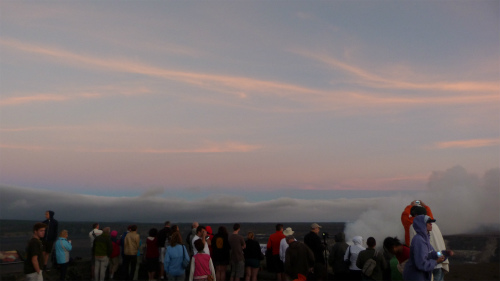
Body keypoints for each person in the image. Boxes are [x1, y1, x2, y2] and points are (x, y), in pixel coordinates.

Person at [403, 215, 453, 281]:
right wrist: (436, 261)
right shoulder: (419, 240)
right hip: (415, 276)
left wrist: (445, 253)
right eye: (428, 222)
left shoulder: (424, 239)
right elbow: (421, 264)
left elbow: (432, 254)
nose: (431, 224)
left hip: (421, 276)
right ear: (421, 225)